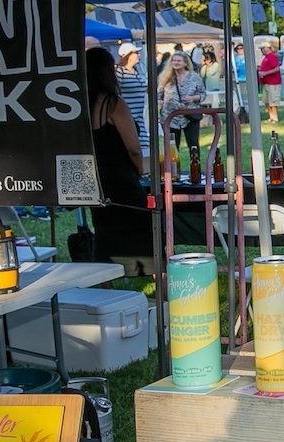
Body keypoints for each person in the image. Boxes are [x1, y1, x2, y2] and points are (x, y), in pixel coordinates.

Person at [86, 47, 153, 272]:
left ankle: (102, 282)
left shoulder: (77, 106)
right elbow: (133, 148)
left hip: (95, 179)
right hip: (121, 178)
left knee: (104, 234)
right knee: (144, 230)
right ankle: (155, 278)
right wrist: (139, 171)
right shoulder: (114, 104)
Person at [157, 52, 206, 158]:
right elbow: (159, 96)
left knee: (193, 144)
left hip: (190, 116)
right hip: (170, 117)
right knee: (172, 146)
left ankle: (195, 170)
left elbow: (203, 94)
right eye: (174, 60)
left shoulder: (194, 77)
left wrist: (192, 98)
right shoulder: (165, 77)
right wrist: (161, 108)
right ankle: (173, 172)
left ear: (185, 63)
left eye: (178, 61)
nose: (176, 63)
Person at [115, 42, 149, 173]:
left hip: (139, 117)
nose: (138, 55)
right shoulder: (119, 71)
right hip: (127, 118)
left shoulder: (137, 71)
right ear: (128, 55)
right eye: (136, 52)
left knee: (144, 148)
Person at [258, 42, 282, 123]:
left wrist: (265, 73)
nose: (261, 50)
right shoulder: (266, 57)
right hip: (266, 82)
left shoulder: (272, 56)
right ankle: (271, 117)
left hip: (273, 83)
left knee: (273, 101)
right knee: (266, 101)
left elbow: (277, 68)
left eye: (262, 48)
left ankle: (275, 117)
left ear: (267, 48)